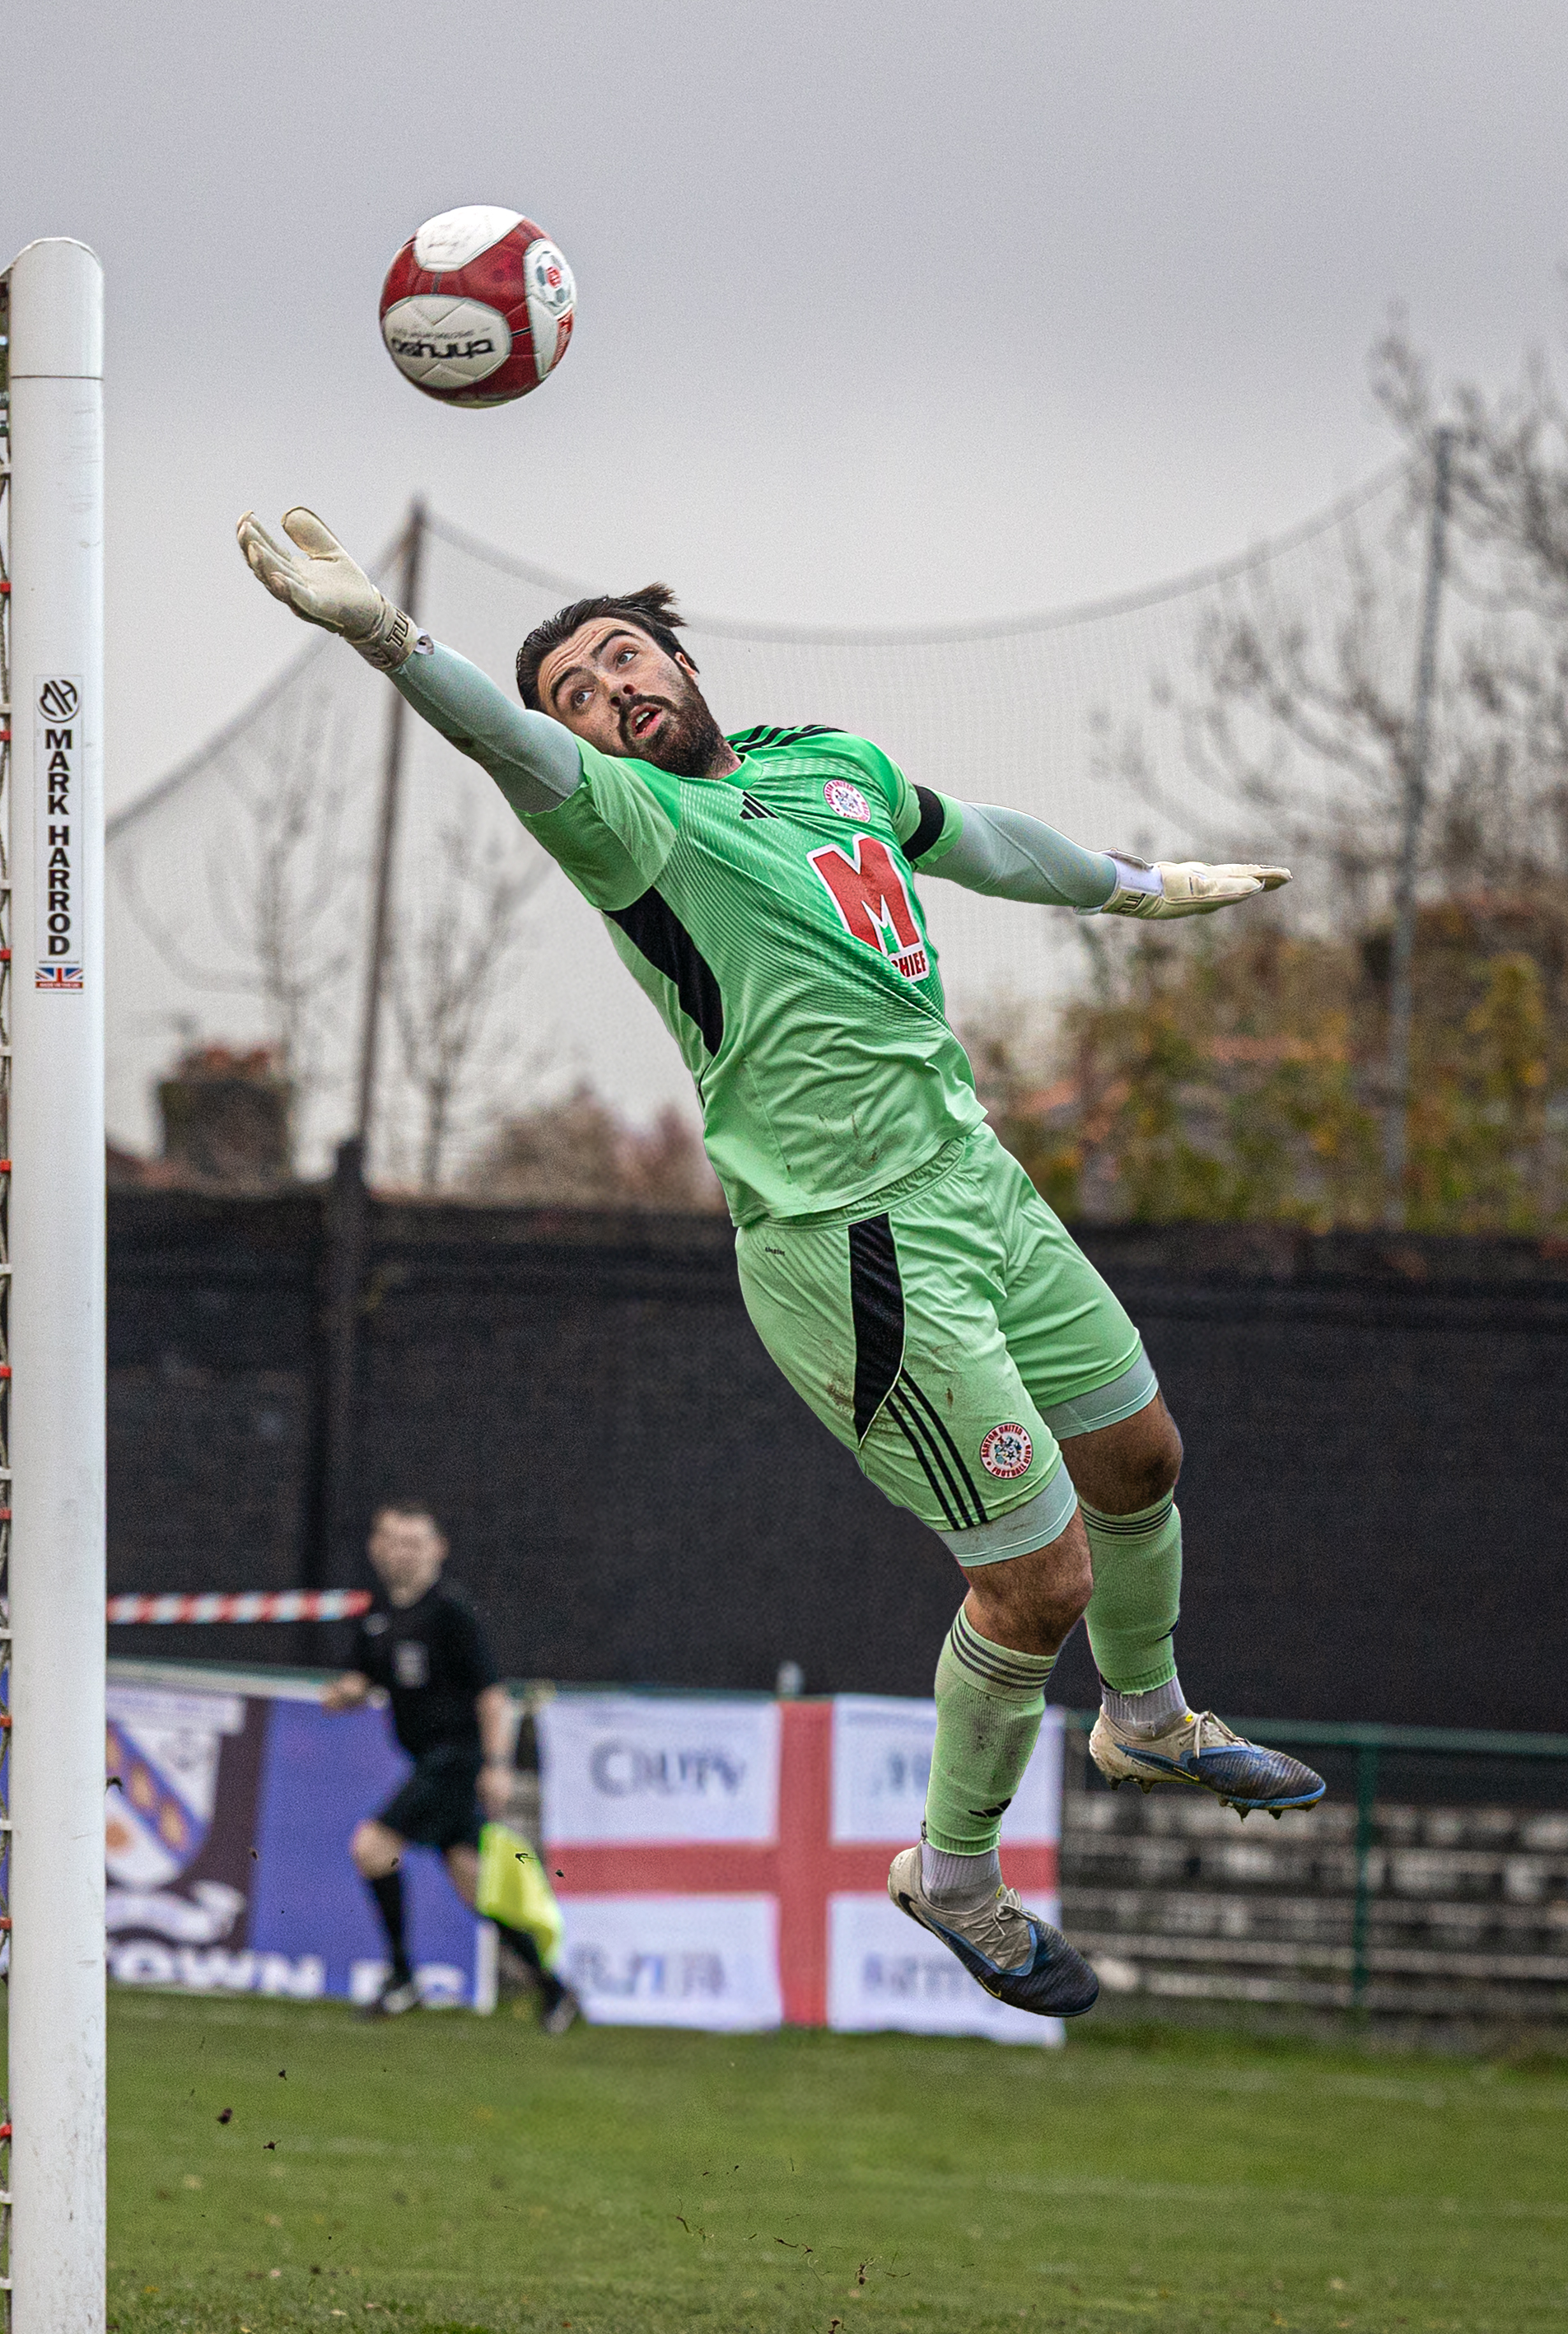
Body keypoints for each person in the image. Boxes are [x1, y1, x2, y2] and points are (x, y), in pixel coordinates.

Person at [243, 508, 1328, 2022]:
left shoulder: (831, 760)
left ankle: (1144, 1718)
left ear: (681, 658)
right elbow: (509, 749)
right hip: (851, 1243)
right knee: (1034, 1582)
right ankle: (952, 1876)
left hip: (974, 1182)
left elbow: (975, 838)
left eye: (622, 655)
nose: (605, 692)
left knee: (1141, 1461)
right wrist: (388, 639)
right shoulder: (628, 821)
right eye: (574, 689)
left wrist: (1130, 885)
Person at [324, 1500, 579, 2032]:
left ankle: (402, 1978)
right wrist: (344, 1693)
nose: (402, 1552)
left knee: (371, 1848)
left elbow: (491, 1694)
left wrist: (496, 1764)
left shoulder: (451, 1613)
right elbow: (362, 1677)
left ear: (436, 1549)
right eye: (393, 1540)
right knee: (473, 1885)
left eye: (414, 1542)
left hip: (455, 1761)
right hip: (426, 1760)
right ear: (376, 1547)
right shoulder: (377, 1616)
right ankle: (555, 1989)